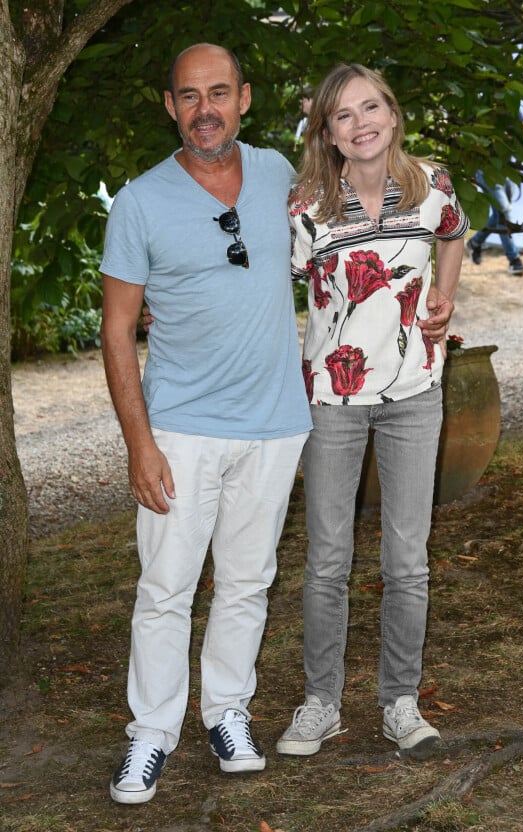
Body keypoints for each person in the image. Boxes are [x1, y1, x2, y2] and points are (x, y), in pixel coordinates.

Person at [99, 43, 311, 804]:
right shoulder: (140, 201)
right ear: (169, 105)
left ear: (244, 98)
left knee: (249, 582)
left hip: (276, 424)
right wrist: (140, 443)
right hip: (181, 428)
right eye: (189, 96)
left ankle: (227, 713)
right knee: (165, 587)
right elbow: (118, 329)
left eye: (218, 93)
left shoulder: (282, 175)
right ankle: (150, 733)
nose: (205, 110)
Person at [275, 63, 468, 757]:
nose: (361, 124)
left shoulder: (430, 184)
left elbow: (452, 233)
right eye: (343, 116)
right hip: (332, 401)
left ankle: (400, 702)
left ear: (393, 111)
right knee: (327, 559)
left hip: (415, 393)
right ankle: (321, 702)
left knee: (407, 560)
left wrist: (442, 301)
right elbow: (275, 286)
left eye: (371, 108)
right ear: (326, 133)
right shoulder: (305, 206)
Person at [465, 109, 523, 276]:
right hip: (485, 169)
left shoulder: (511, 106)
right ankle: (514, 260)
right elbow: (467, 137)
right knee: (504, 212)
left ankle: (475, 242)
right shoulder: (480, 108)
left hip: (505, 168)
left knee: (497, 215)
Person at [294, 85, 313, 150]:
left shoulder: (326, 119)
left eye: (304, 100)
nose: (300, 102)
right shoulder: (303, 122)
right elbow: (296, 145)